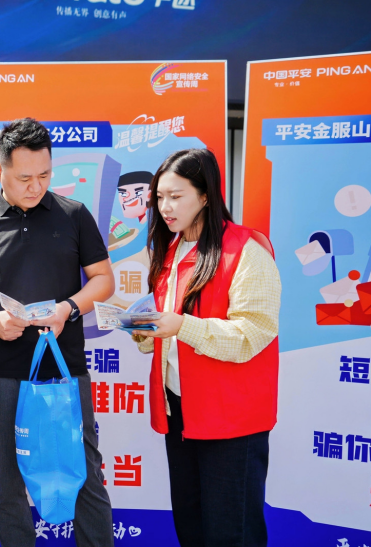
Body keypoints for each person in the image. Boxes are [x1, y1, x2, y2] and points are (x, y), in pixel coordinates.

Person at [0, 118, 115, 547]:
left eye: (44, 175)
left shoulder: (74, 215)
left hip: (65, 367)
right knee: (6, 480)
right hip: (1, 371)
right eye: (24, 177)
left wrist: (67, 309)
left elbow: (103, 279)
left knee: (84, 472)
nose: (35, 186)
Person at [131, 148, 281, 547]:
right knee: (191, 525)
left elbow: (254, 333)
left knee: (232, 532)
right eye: (159, 197)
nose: (165, 207)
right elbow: (170, 327)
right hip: (180, 410)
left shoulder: (247, 249)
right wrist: (145, 331)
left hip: (231, 416)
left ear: (205, 195)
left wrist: (181, 326)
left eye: (175, 196)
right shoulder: (169, 249)